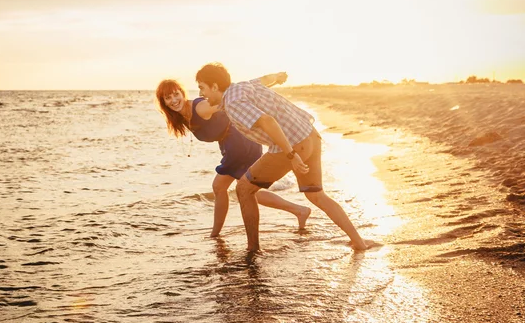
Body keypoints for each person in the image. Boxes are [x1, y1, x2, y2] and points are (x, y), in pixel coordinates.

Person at [195, 62, 376, 252]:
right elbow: (266, 79)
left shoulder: (233, 104)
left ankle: (253, 250)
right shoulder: (243, 85)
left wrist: (291, 154)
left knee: (244, 189)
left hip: (293, 145)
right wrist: (278, 76)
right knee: (316, 195)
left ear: (215, 86)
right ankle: (358, 242)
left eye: (202, 88)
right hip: (309, 135)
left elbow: (267, 121)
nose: (201, 94)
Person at [155, 78, 311, 237]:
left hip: (239, 143)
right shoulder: (182, 115)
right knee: (247, 190)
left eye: (176, 94)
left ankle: (215, 234)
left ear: (182, 93)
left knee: (222, 187)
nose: (174, 100)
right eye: (168, 98)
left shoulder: (200, 107)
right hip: (233, 144)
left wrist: (267, 81)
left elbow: (229, 98)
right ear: (164, 103)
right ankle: (299, 211)